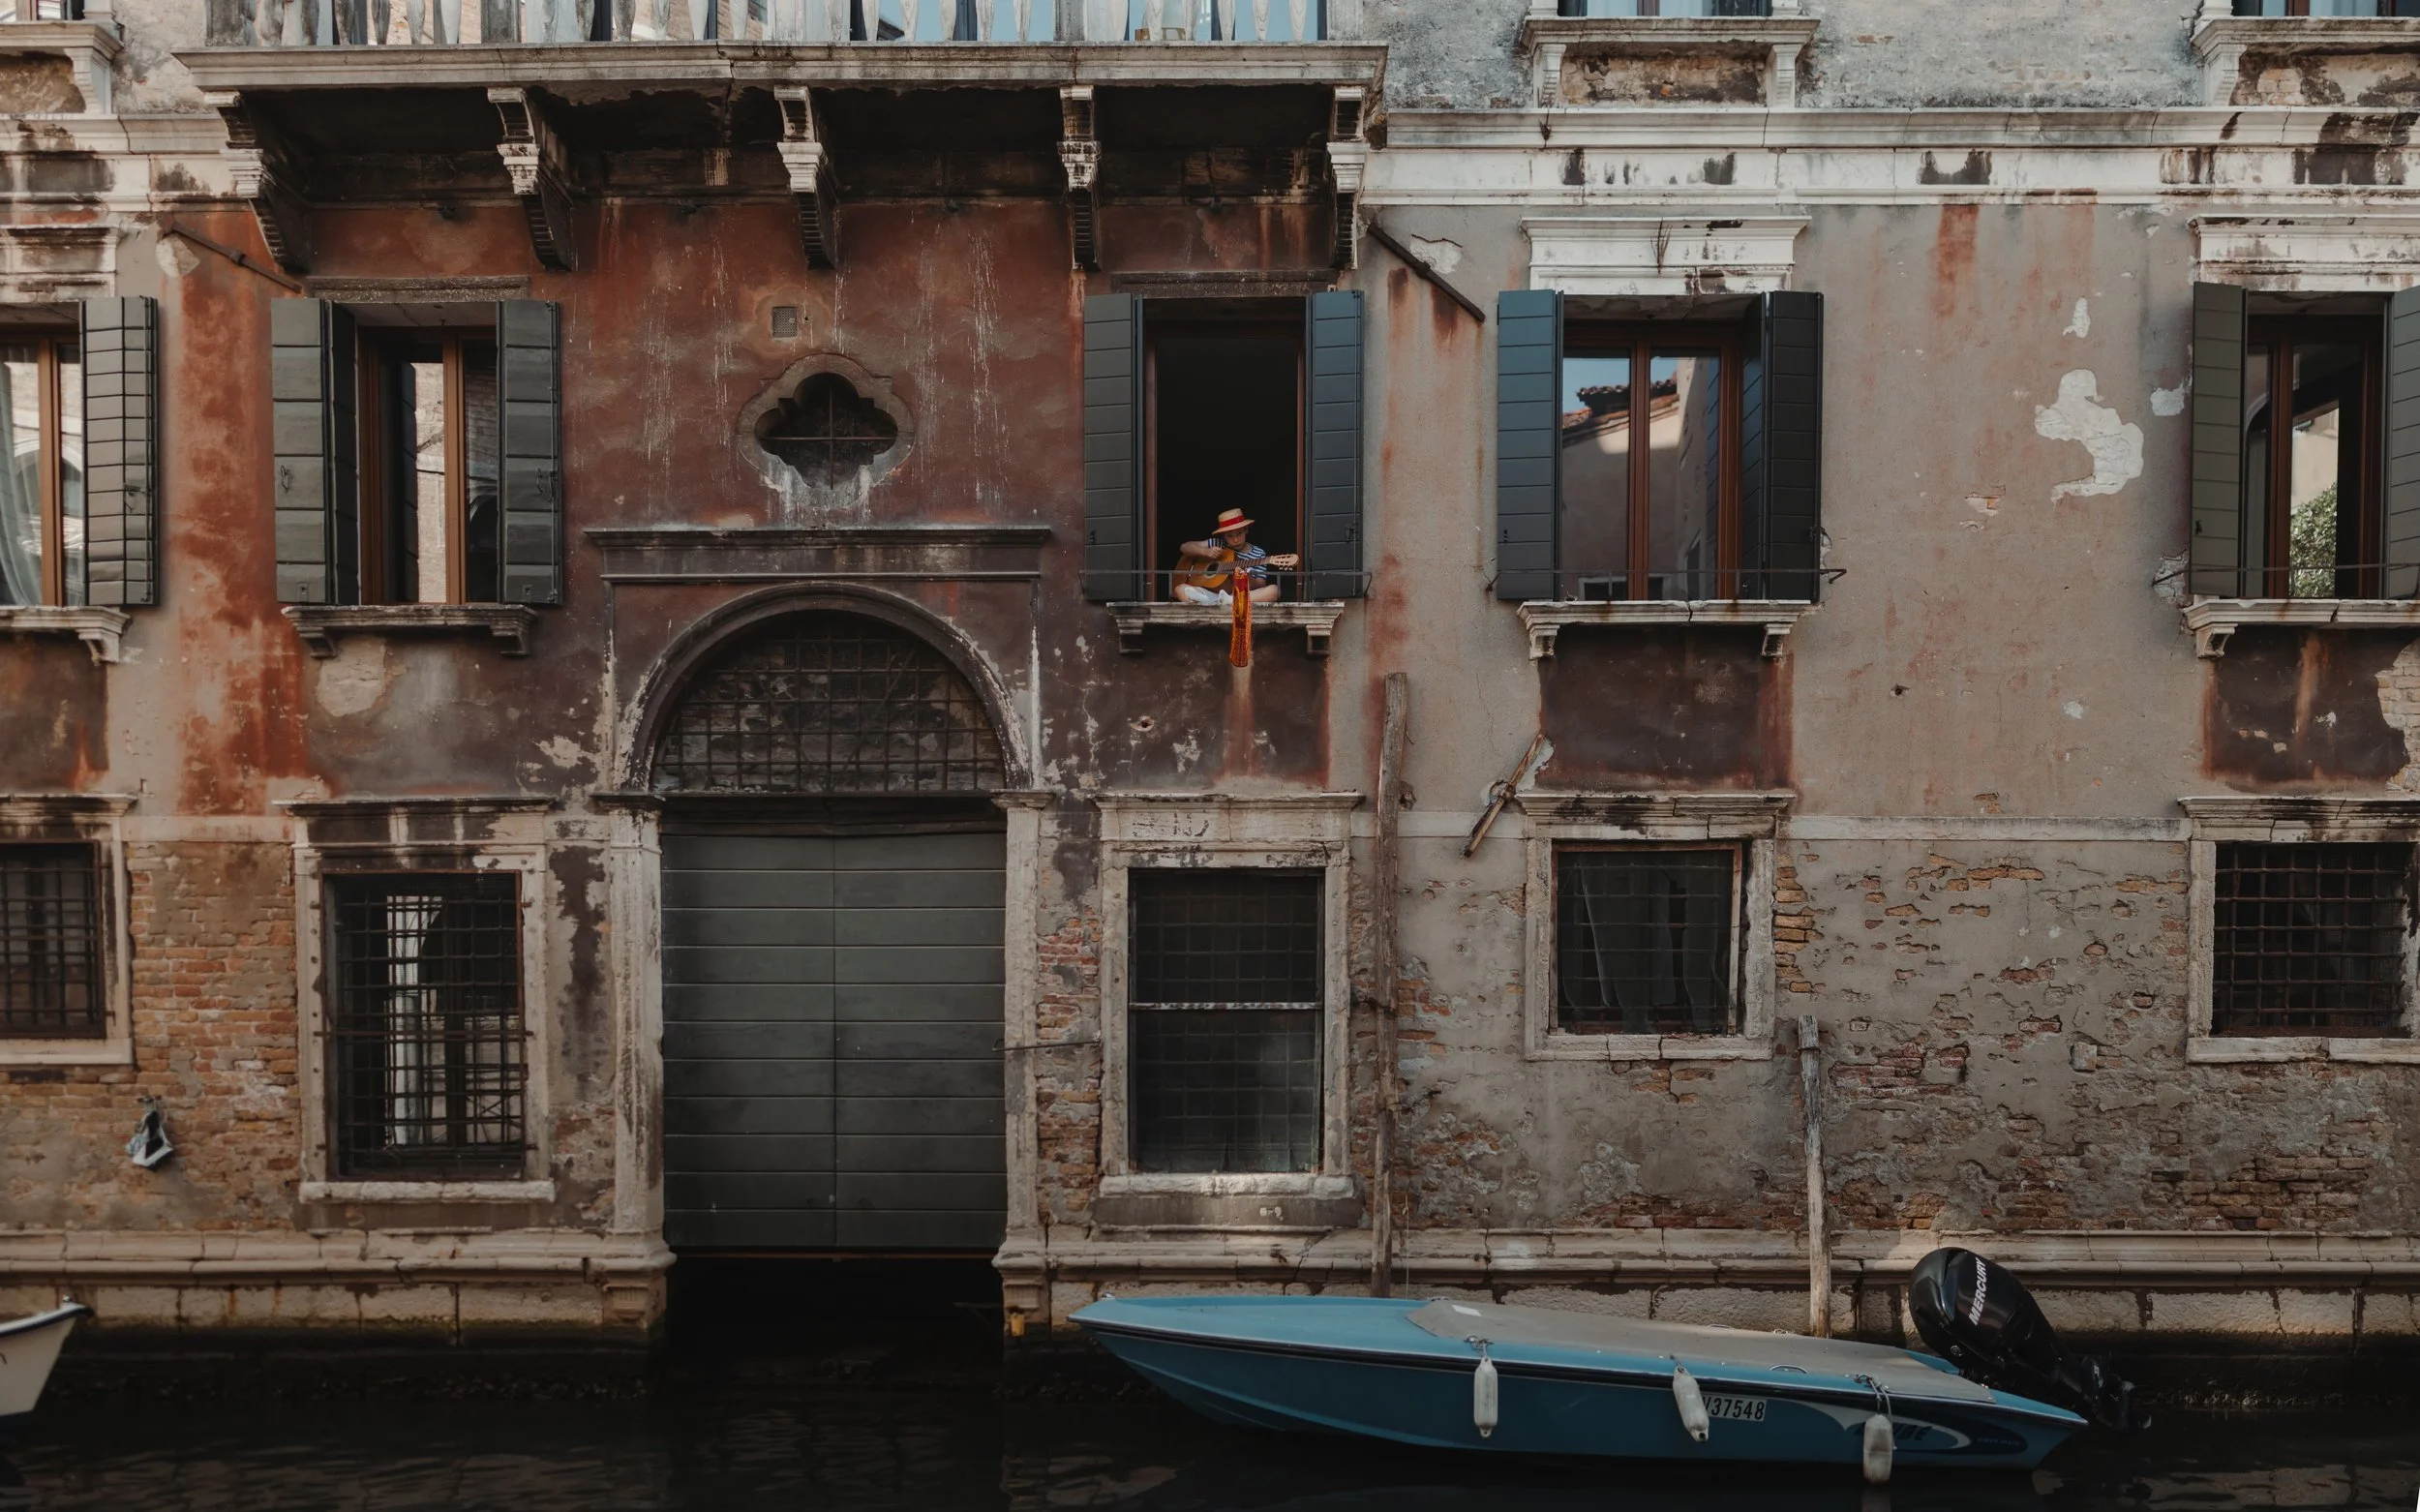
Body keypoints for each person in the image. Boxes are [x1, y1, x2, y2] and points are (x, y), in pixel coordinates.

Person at [1172, 508, 1298, 605]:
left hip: (1240, 595)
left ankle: (1229, 601)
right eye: (1230, 536)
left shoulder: (1259, 553)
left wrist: (1248, 578)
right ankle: (1213, 601)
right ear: (1223, 536)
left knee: (1274, 591)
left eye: (1239, 533)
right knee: (1180, 589)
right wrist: (1205, 552)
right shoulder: (1218, 544)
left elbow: (1261, 585)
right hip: (1211, 594)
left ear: (1246, 530)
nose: (1236, 539)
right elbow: (1184, 547)